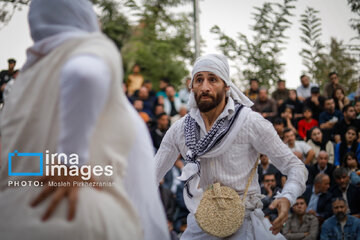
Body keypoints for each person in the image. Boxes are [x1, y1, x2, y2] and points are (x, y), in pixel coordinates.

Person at [0, 1, 169, 239]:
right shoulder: (89, 48)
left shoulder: (25, 83)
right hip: (74, 216)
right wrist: (71, 161)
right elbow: (85, 74)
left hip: (13, 218)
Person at [155, 54, 308, 239]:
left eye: (212, 79)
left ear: (226, 86)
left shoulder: (249, 122)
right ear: (191, 86)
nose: (204, 87)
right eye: (199, 80)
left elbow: (295, 166)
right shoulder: (180, 129)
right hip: (200, 225)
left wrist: (288, 196)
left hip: (244, 225)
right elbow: (151, 176)